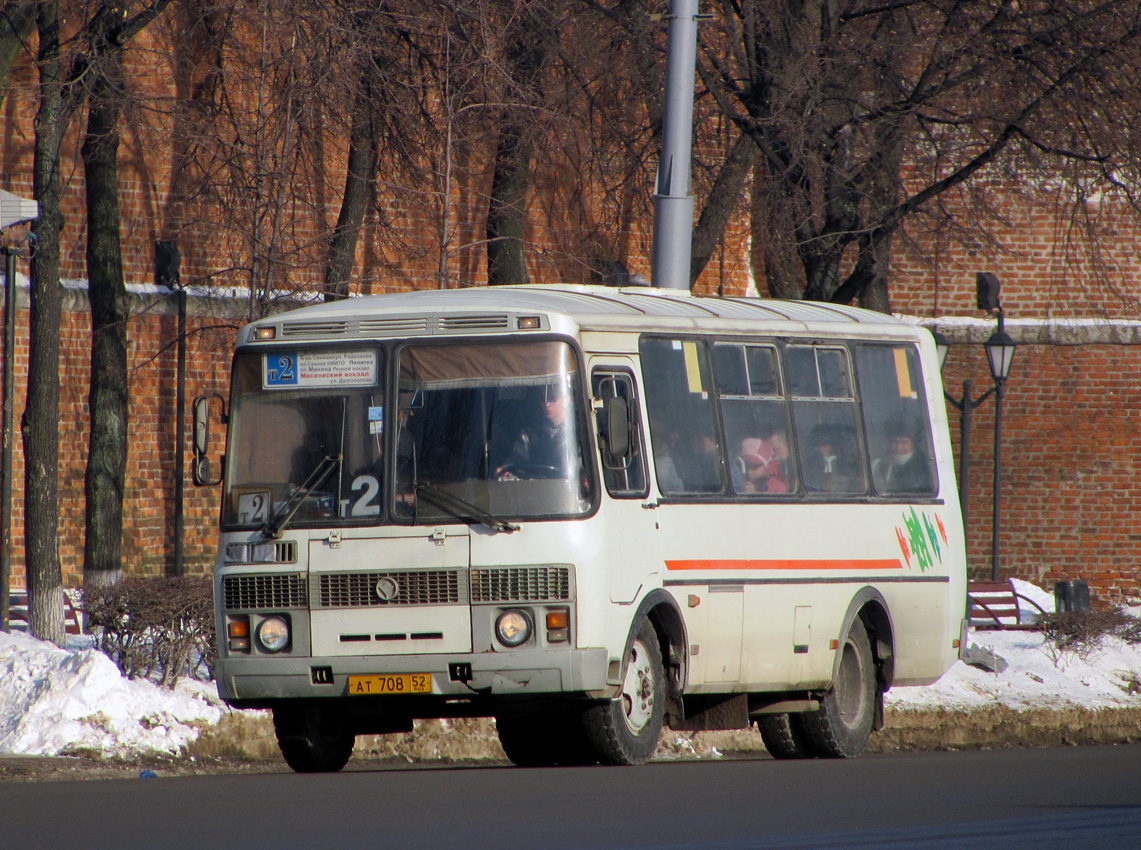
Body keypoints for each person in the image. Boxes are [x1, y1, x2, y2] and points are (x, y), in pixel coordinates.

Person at [496, 378, 581, 480]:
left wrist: (583, 478)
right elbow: (517, 457)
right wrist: (506, 469)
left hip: (569, 491)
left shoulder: (580, 432)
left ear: (568, 398)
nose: (547, 403)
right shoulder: (530, 433)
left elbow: (586, 468)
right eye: (543, 398)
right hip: (537, 490)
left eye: (552, 398)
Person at [872, 422, 931, 494]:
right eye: (895, 442)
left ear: (913, 444)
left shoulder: (924, 466)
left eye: (904, 442)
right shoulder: (879, 465)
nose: (898, 447)